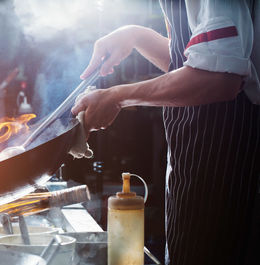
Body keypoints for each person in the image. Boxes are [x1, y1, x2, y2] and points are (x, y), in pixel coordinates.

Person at [72, 0, 260, 264]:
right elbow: (198, 60)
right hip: (195, 155)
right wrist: (136, 35)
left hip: (230, 158)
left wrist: (117, 97)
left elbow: (220, 78)